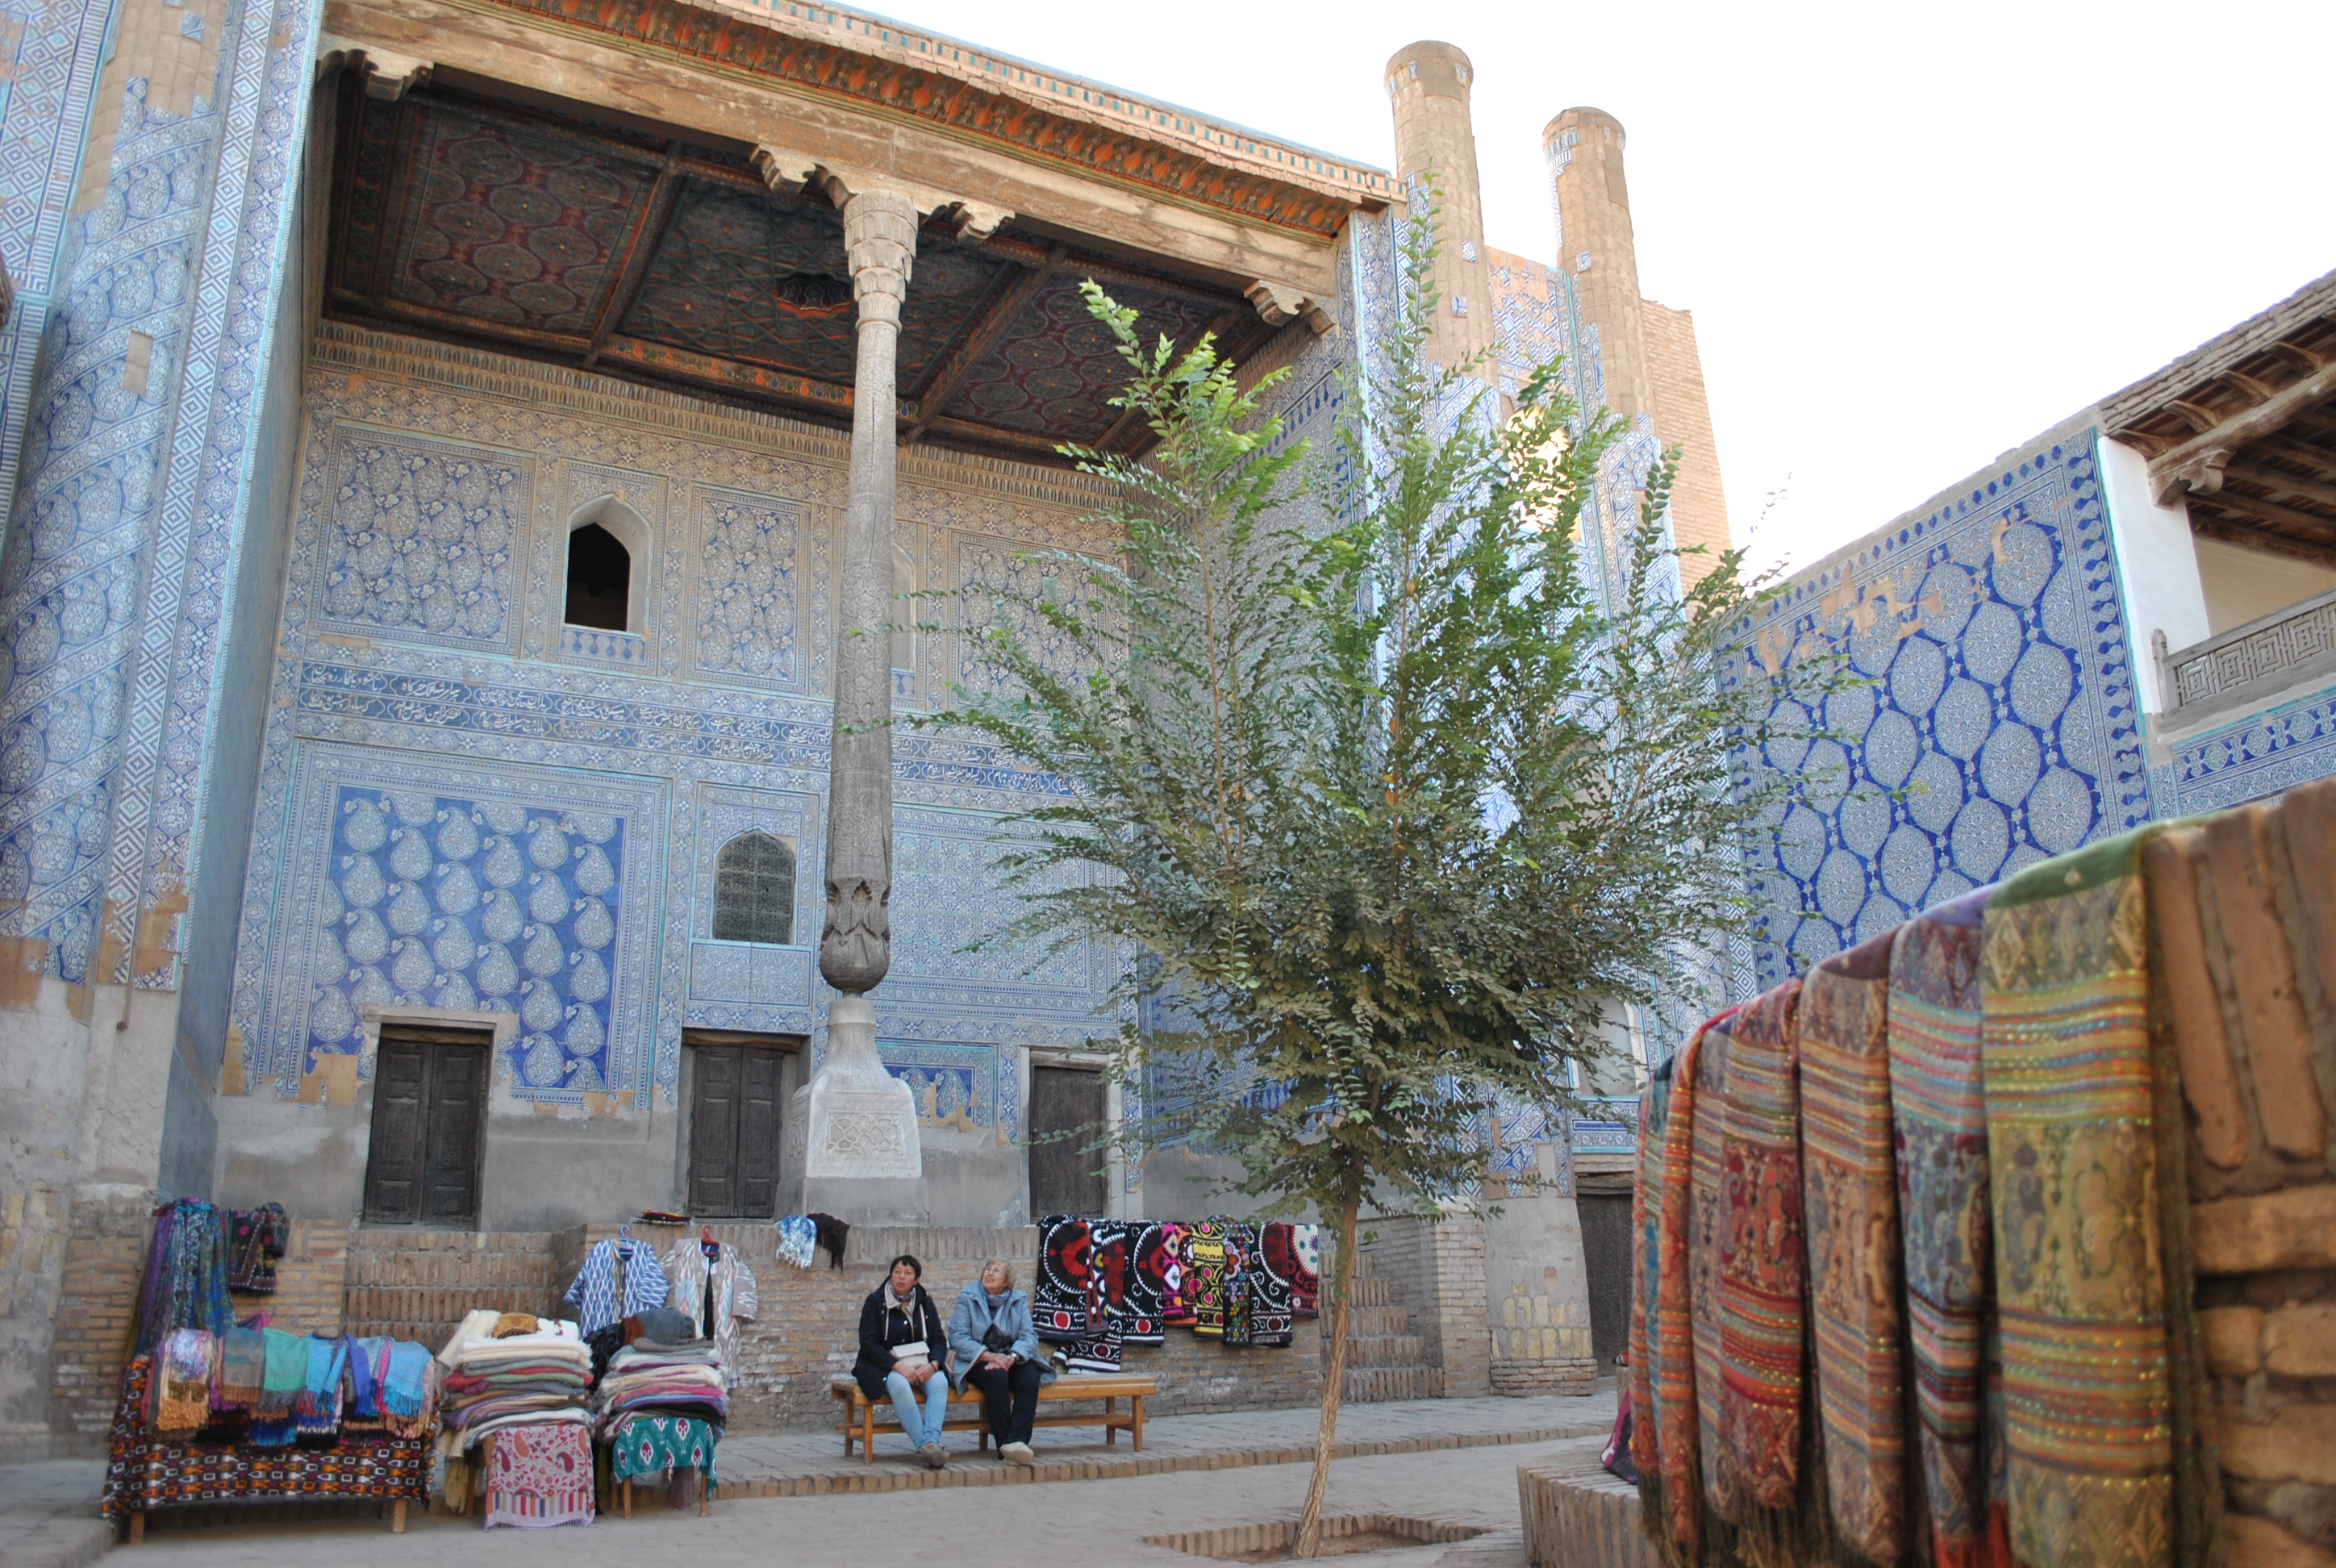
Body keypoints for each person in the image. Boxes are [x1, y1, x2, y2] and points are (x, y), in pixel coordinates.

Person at [948, 1257, 1049, 1466]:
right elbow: (958, 1338)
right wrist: (991, 1357)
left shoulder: (1017, 1299)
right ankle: (1005, 1446)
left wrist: (1011, 1358)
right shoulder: (968, 1297)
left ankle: (1018, 1443)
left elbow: (1029, 1337)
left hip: (1011, 1358)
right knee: (996, 1380)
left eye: (996, 1271)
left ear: (1006, 1282)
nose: (990, 1273)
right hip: (978, 1360)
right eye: (988, 1269)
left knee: (1029, 1379)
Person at [853, 1254, 952, 1467]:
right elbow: (868, 1344)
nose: (901, 1277)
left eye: (907, 1274)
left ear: (916, 1280)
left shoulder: (925, 1302)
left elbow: (938, 1340)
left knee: (940, 1382)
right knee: (899, 1385)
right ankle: (924, 1446)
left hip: (921, 1362)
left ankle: (931, 1442)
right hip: (883, 1364)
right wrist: (899, 1367)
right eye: (897, 1272)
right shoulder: (875, 1302)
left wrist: (934, 1365)